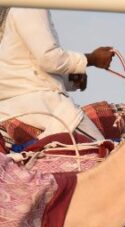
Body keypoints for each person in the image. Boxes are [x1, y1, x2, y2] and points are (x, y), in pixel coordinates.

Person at [0, 7, 114, 141]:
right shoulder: (30, 7)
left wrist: (71, 78)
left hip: (15, 108)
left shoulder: (15, 14)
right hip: (42, 106)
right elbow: (48, 58)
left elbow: (28, 65)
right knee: (105, 152)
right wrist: (92, 59)